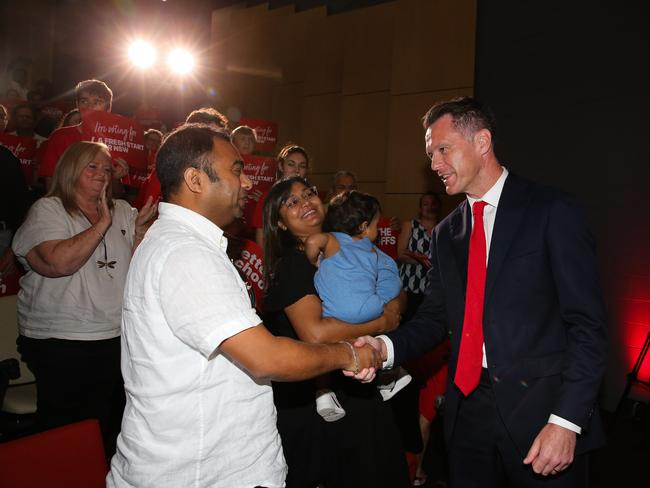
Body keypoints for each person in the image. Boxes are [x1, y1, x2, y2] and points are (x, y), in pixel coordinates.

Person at [352, 97, 608, 487]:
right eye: (430, 154)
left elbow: (587, 327)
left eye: (442, 149)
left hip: (543, 414)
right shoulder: (446, 233)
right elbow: (436, 318)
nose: (434, 164)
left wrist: (566, 421)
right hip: (466, 413)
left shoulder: (551, 210)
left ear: (482, 141)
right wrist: (384, 348)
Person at [107, 125, 381, 488]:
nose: (248, 183)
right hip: (200, 473)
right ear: (195, 180)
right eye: (236, 169)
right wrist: (349, 354)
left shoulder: (180, 245)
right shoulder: (184, 253)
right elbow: (266, 357)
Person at [263, 176, 410, 487]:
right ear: (280, 225)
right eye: (292, 202)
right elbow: (316, 334)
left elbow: (390, 282)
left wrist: (395, 301)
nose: (305, 202)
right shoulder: (294, 265)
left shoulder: (349, 245)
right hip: (319, 406)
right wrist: (383, 322)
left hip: (361, 389)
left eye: (308, 193)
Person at [11, 141, 157, 455]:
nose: (102, 174)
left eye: (107, 168)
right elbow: (58, 263)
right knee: (66, 429)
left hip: (113, 335)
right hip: (60, 338)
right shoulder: (48, 209)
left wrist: (141, 234)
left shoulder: (122, 210)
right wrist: (102, 223)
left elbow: (131, 271)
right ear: (70, 169)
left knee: (109, 423)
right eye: (92, 166)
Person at [304, 190, 412, 422]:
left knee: (335, 339)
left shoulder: (331, 239)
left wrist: (315, 263)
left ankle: (323, 393)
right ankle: (388, 376)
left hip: (332, 313)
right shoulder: (373, 252)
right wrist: (383, 303)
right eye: (375, 224)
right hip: (372, 309)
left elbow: (313, 241)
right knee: (371, 332)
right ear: (364, 227)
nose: (378, 230)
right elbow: (392, 282)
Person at [38, 79, 128, 190]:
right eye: (84, 101)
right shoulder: (60, 136)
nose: (89, 107)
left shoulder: (117, 141)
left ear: (108, 108)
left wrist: (116, 178)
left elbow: (117, 194)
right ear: (77, 105)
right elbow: (50, 182)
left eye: (97, 102)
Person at [252, 143, 309, 247]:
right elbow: (261, 237)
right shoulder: (268, 197)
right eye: (291, 164)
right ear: (280, 166)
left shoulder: (311, 196)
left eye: (302, 166)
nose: (297, 170)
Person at [397, 191, 441, 318]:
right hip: (409, 286)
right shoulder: (410, 225)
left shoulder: (444, 227)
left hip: (433, 288)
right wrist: (422, 260)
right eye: (426, 204)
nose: (430, 207)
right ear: (420, 209)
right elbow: (400, 254)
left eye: (433, 204)